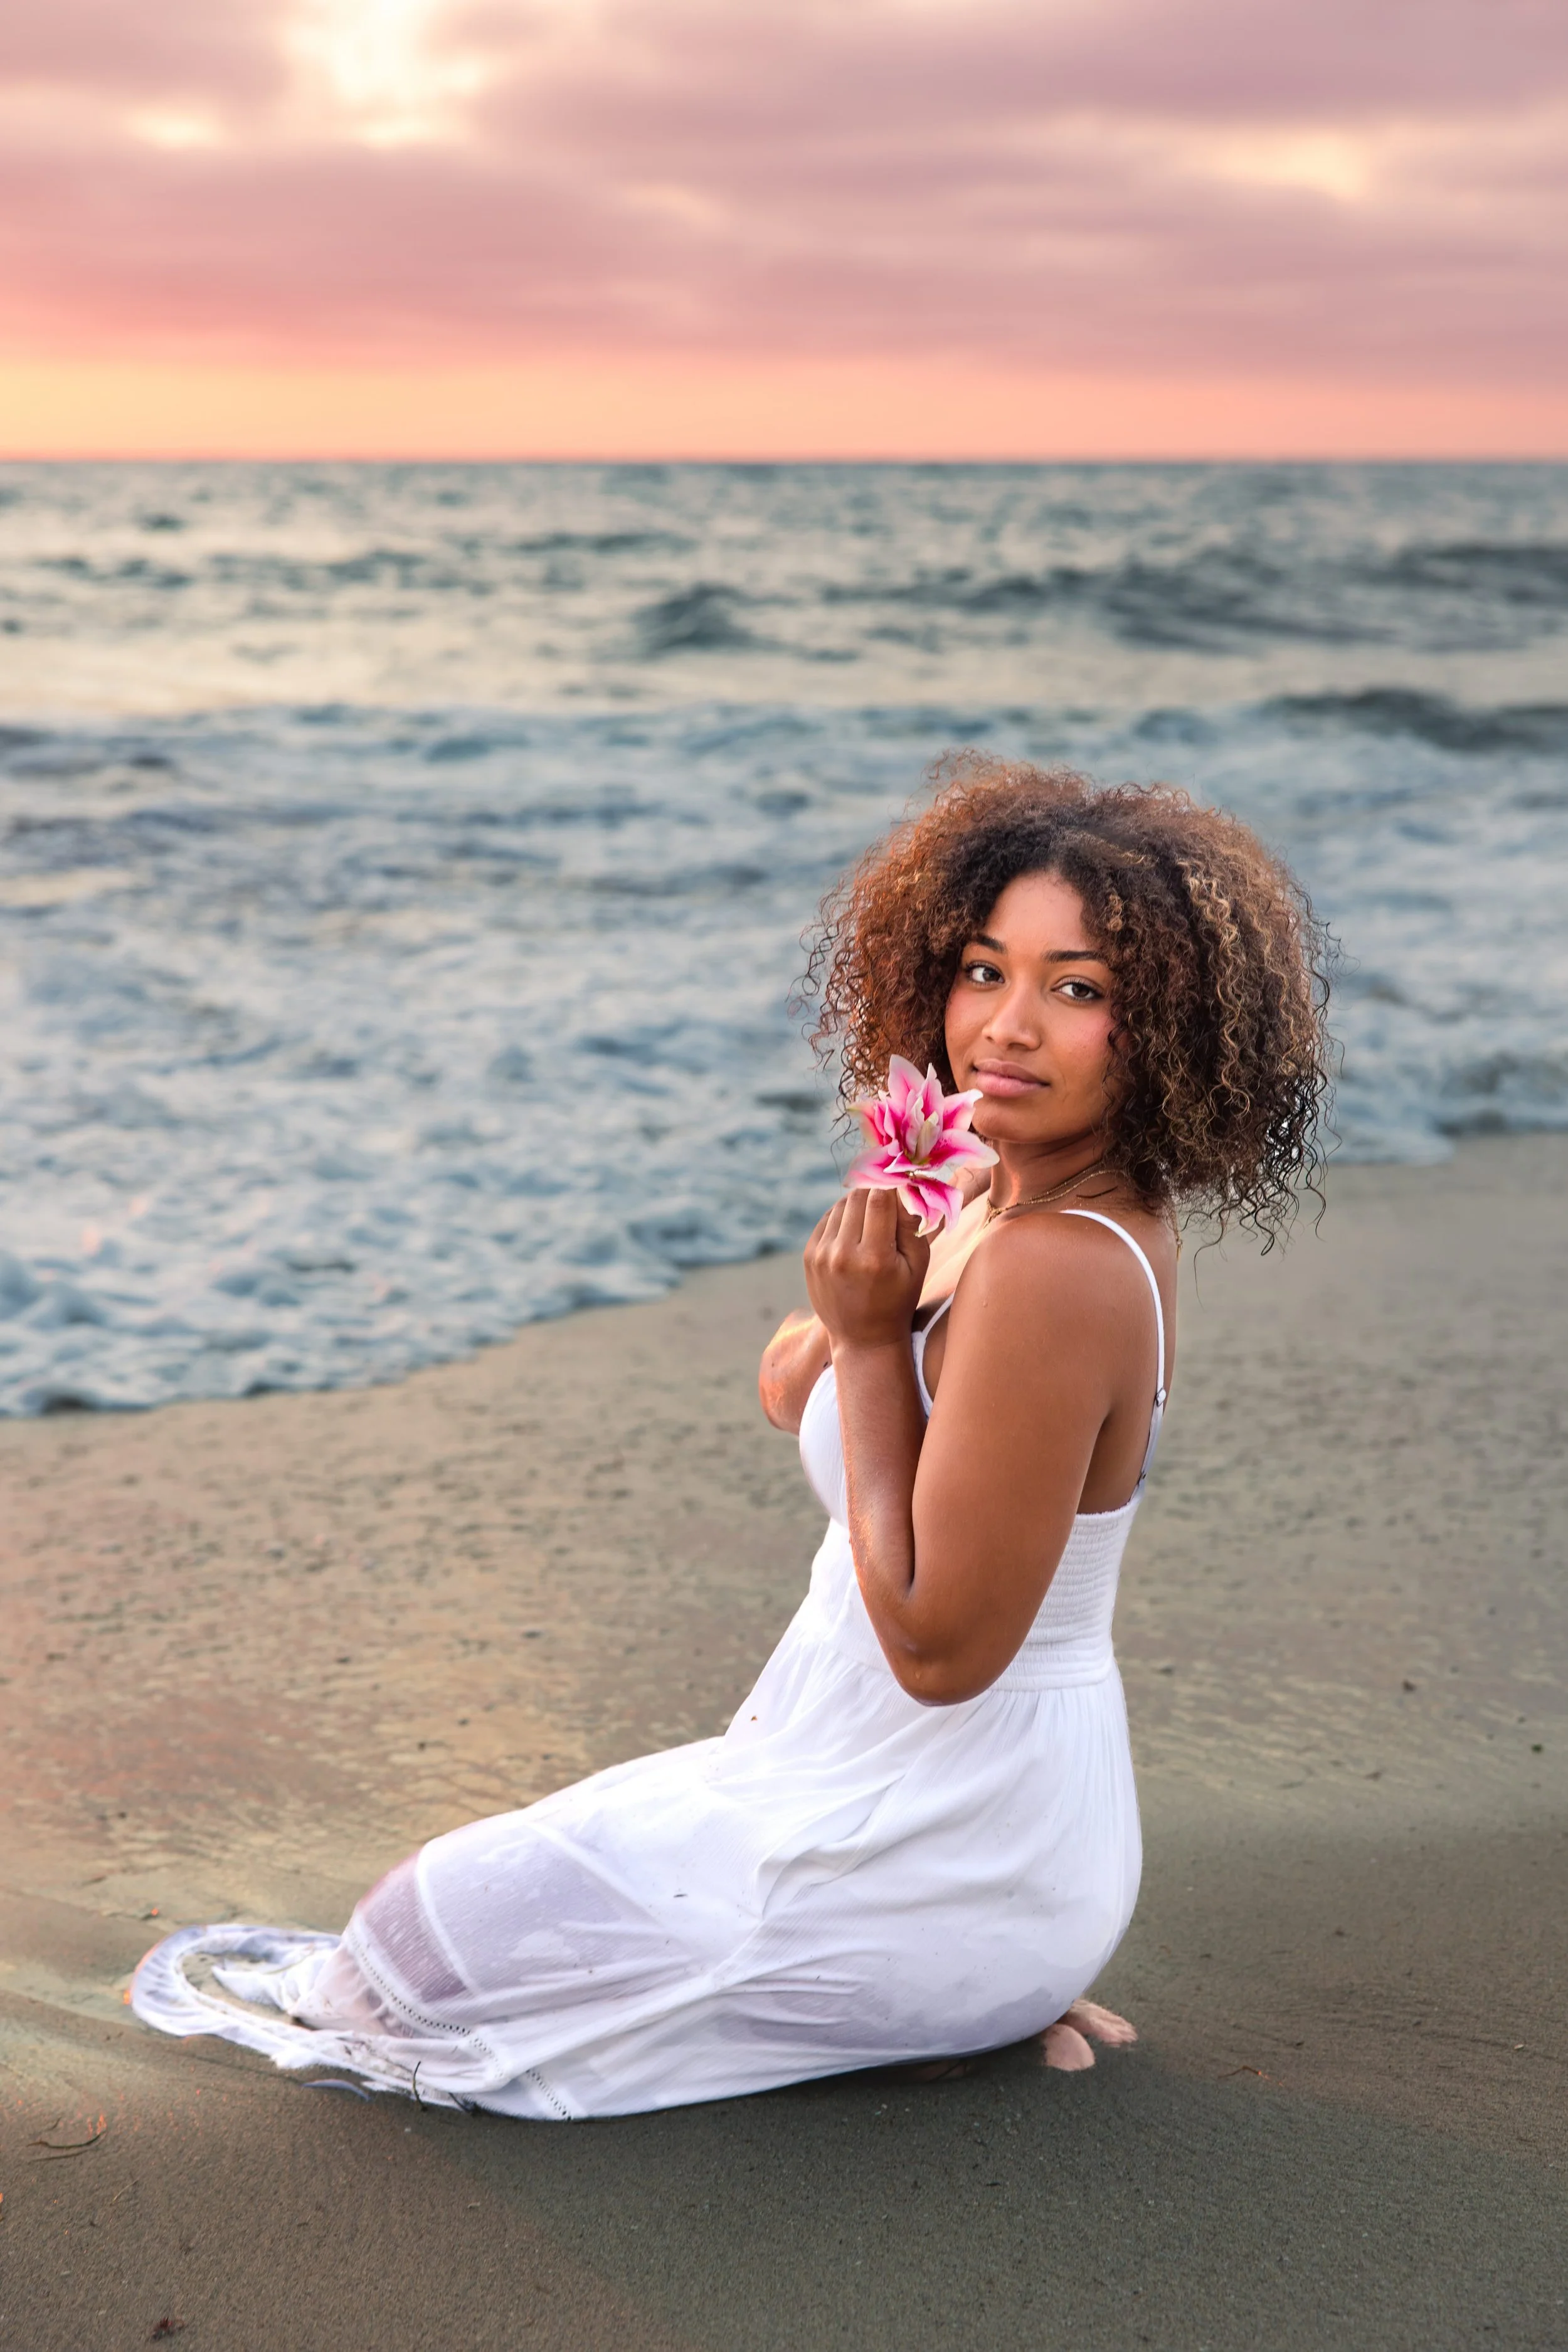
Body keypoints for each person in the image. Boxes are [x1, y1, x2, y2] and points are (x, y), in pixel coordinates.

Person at [132, 758, 1332, 2117]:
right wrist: (883, 1261)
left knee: (419, 1961)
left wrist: (878, 1339)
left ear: (1164, 1023)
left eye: (1076, 990)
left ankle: (949, 1986)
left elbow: (940, 1650)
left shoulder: (1060, 1265)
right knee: (412, 1937)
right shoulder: (991, 1186)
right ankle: (929, 1992)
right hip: (856, 1788)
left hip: (958, 1840)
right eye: (982, 971)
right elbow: (789, 1384)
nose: (1003, 1028)